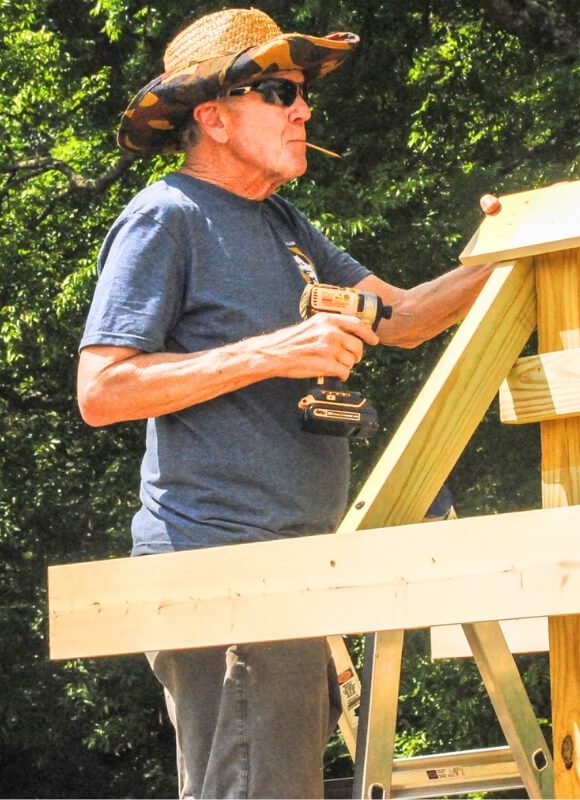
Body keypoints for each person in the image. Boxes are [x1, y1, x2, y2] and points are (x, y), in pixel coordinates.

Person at [77, 8, 493, 798]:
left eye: (300, 94)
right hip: (222, 568)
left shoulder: (282, 224)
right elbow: (101, 390)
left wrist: (511, 255)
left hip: (289, 568)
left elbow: (400, 320)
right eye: (277, 92)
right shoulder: (168, 216)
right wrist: (273, 353)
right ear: (213, 117)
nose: (302, 110)